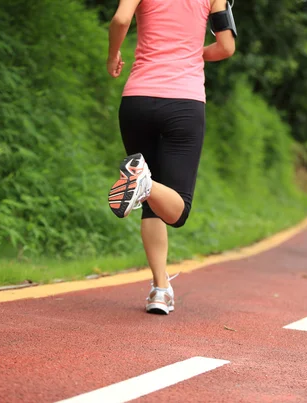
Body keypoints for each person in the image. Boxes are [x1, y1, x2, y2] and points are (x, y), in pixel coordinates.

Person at [105, 0, 236, 314]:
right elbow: (226, 47)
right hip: (183, 104)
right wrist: (193, 53)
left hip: (136, 101)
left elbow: (121, 19)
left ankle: (160, 289)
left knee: (152, 206)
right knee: (178, 210)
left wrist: (113, 56)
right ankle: (144, 184)